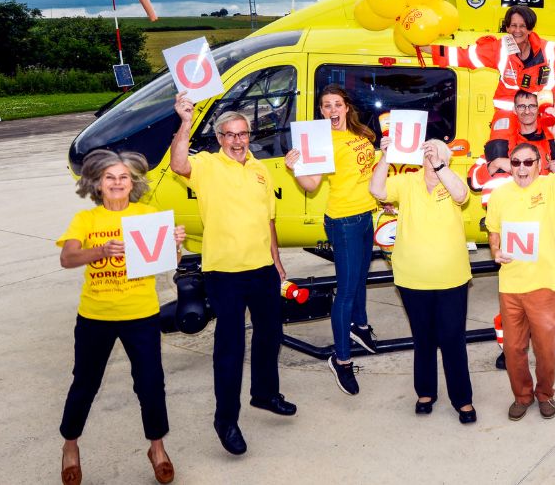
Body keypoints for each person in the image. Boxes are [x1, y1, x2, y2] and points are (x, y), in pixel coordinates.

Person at [424, 4, 555, 234]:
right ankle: (492, 208)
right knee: (497, 150)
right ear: (507, 28)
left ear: (530, 28)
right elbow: (462, 56)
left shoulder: (551, 52)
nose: (517, 30)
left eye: (522, 26)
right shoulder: (498, 49)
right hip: (510, 110)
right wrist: (423, 47)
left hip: (547, 109)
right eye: (512, 25)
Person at [171, 94, 295, 456]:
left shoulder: (260, 169)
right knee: (230, 347)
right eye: (231, 135)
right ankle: (226, 420)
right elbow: (179, 164)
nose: (238, 140)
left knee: (271, 334)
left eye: (243, 133)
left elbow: (267, 220)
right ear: (220, 138)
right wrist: (185, 120)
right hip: (224, 272)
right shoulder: (207, 165)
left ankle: (265, 394)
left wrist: (277, 261)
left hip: (262, 269)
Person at [57, 149, 185, 485]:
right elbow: (68, 258)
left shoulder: (148, 214)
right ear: (97, 183)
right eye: (109, 177)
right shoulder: (86, 220)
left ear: (133, 183)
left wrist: (176, 244)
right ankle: (70, 446)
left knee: (150, 383)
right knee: (85, 383)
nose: (117, 183)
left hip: (140, 314)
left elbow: (166, 260)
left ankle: (157, 449)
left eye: (123, 177)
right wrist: (99, 250)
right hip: (95, 316)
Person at [469, 90, 555, 369]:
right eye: (521, 106)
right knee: (515, 293)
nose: (527, 111)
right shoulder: (500, 142)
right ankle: (512, 346)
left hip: (554, 229)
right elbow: (473, 179)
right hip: (515, 229)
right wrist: (495, 165)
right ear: (514, 110)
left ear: (540, 109)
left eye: (532, 106)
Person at [368, 137, 476, 423]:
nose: (429, 155)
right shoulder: (407, 182)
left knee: (453, 339)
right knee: (423, 339)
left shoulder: (451, 179)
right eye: (426, 151)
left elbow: (462, 195)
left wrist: (440, 165)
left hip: (451, 277)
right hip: (412, 277)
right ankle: (425, 392)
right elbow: (376, 189)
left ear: (446, 158)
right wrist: (386, 156)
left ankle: (462, 399)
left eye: (435, 151)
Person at [285, 84, 378, 396]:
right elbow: (311, 185)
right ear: (321, 111)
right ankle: (341, 359)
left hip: (366, 215)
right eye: (326, 106)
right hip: (344, 220)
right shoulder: (320, 141)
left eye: (337, 104)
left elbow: (368, 172)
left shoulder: (361, 134)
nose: (332, 110)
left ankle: (360, 328)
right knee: (346, 292)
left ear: (347, 107)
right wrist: (295, 165)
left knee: (361, 278)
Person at [487, 121, 555, 421]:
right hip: (510, 287)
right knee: (513, 350)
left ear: (539, 165)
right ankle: (522, 396)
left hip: (542, 286)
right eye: (516, 163)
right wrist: (495, 251)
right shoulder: (500, 195)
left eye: (528, 162)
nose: (522, 168)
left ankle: (545, 395)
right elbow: (493, 232)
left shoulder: (551, 187)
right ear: (510, 166)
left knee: (544, 351)